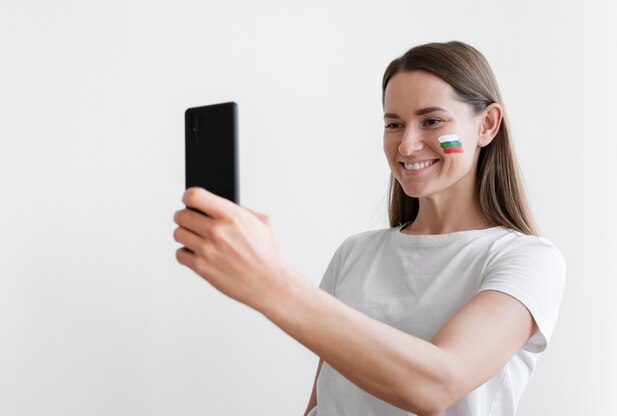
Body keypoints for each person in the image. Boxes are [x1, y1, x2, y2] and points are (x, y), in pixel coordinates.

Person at [172, 40, 566, 416]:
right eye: (394, 124)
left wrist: (271, 284)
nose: (407, 146)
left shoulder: (528, 261)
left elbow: (436, 387)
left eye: (431, 121)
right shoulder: (355, 253)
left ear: (487, 125)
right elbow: (324, 402)